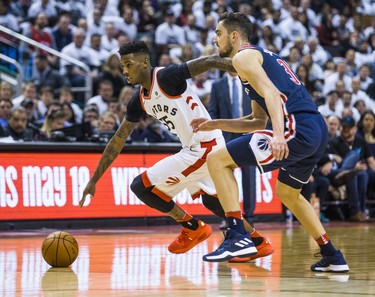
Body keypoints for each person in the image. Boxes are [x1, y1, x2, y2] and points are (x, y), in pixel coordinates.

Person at [79, 41, 273, 261]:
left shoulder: (166, 77)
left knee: (141, 186)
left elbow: (209, 61)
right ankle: (259, 243)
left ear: (144, 62)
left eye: (128, 64)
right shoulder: (139, 100)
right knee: (213, 202)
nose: (124, 70)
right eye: (122, 66)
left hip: (203, 146)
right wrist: (94, 180)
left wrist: (248, 70)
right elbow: (117, 141)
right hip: (199, 146)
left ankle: (192, 227)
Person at [190, 12, 348, 272]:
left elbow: (273, 95)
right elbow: (255, 121)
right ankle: (332, 255)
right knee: (287, 193)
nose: (215, 39)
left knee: (216, 160)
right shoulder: (258, 59)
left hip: (296, 127)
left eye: (218, 34)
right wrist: (215, 123)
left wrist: (278, 135)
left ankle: (237, 235)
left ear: (234, 35)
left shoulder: (243, 57)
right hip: (315, 129)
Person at [208, 71, 257, 229]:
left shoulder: (249, 81)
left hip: (247, 134)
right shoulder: (217, 85)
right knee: (224, 177)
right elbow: (213, 112)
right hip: (226, 136)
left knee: (249, 176)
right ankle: (228, 216)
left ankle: (249, 216)